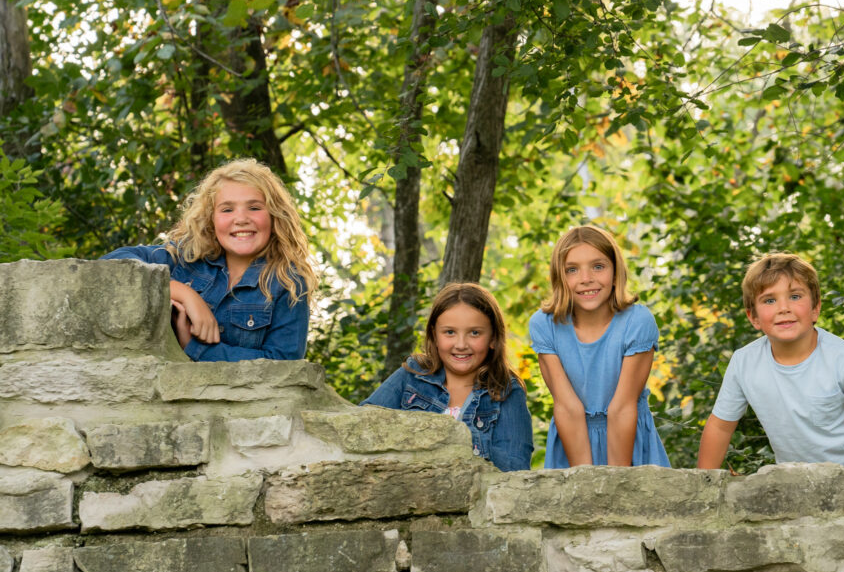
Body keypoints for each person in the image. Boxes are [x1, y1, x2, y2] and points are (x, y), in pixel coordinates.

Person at [697, 252, 844, 470]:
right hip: (799, 486)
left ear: (815, 309)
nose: (783, 308)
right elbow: (720, 427)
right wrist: (702, 485)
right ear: (753, 317)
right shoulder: (744, 363)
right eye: (769, 300)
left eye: (795, 296)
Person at [102, 159, 317, 362]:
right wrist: (182, 292)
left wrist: (197, 349)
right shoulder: (187, 258)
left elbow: (283, 366)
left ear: (274, 215)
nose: (241, 219)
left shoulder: (288, 283)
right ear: (210, 219)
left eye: (254, 207)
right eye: (227, 209)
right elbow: (110, 265)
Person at [529, 225, 671, 468]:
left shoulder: (637, 322)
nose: (586, 279)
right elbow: (567, 407)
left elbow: (622, 408)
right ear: (559, 277)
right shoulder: (545, 325)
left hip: (628, 445)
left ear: (615, 272)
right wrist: (585, 481)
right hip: (573, 442)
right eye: (572, 270)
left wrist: (614, 483)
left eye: (598, 266)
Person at [360, 283, 534, 472]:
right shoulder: (413, 375)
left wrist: (456, 444)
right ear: (434, 335)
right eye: (450, 332)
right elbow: (362, 426)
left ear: (493, 338)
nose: (460, 344)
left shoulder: (506, 390)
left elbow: (515, 469)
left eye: (474, 333)